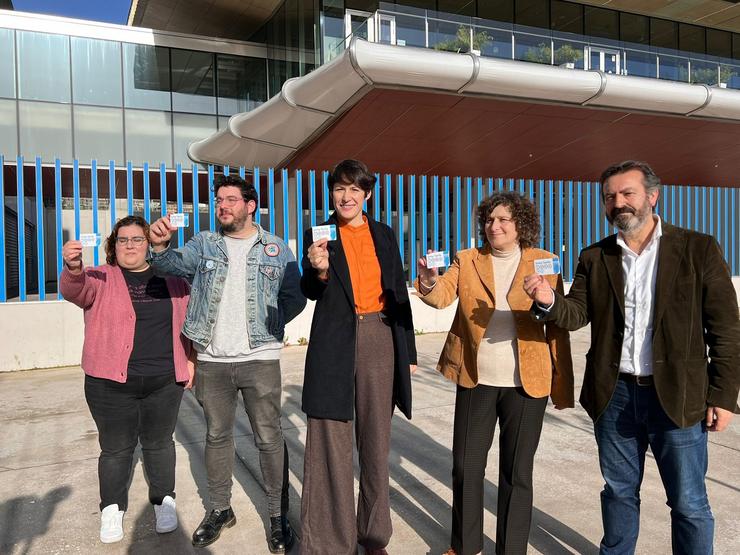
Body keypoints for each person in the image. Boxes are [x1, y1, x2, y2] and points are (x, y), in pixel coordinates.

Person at [524, 160, 740, 555]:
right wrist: (548, 301)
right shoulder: (595, 257)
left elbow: (725, 329)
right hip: (615, 395)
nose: (618, 203)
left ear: (652, 197)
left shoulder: (699, 247)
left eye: (627, 194)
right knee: (619, 492)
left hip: (677, 396)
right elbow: (576, 313)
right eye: (610, 197)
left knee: (689, 503)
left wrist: (724, 396)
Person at [148, 174, 305, 552]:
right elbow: (168, 265)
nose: (223, 206)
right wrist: (158, 243)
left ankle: (276, 515)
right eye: (219, 200)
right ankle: (220, 509)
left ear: (250, 206)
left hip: (260, 358)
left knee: (269, 438)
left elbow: (295, 295)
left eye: (231, 200)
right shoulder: (204, 244)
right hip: (213, 359)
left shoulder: (276, 248)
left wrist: (273, 323)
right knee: (216, 437)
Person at [415, 191, 574, 555]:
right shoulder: (468, 259)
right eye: (489, 219)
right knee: (466, 468)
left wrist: (561, 384)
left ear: (521, 225)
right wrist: (427, 280)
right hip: (477, 379)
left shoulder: (544, 262)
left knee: (517, 474)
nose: (494, 226)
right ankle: (466, 546)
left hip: (527, 383)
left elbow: (557, 322)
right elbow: (441, 296)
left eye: (503, 219)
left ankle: (511, 549)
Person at [300, 159, 417, 555]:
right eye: (339, 189)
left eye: (354, 189)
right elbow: (310, 290)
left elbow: (399, 291)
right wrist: (317, 271)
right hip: (334, 342)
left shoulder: (384, 234)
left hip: (379, 336)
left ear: (367, 194)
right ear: (331, 194)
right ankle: (329, 541)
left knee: (375, 439)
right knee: (329, 440)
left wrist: (408, 351)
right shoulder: (318, 234)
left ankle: (373, 536)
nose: (346, 196)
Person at [59, 215, 193, 544]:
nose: (129, 245)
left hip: (164, 380)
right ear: (113, 246)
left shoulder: (173, 279)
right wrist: (73, 267)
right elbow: (74, 291)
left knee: (160, 444)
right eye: (122, 240)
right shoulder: (99, 277)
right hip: (110, 384)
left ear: (149, 244)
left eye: (137, 239)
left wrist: (191, 361)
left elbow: (190, 321)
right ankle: (112, 507)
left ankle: (164, 500)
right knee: (117, 449)